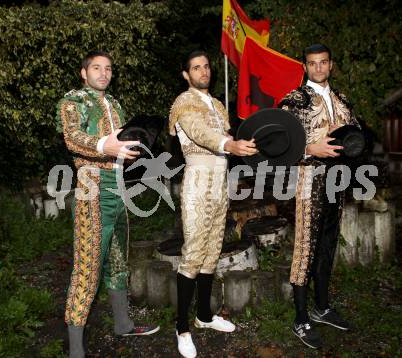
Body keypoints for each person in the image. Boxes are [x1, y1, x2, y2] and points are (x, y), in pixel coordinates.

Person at [57, 51, 159, 358]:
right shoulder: (73, 101)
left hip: (119, 188)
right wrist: (105, 144)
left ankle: (123, 324)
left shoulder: (114, 104)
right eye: (96, 68)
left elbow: (123, 146)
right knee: (87, 270)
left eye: (108, 68)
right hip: (92, 190)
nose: (103, 73)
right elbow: (72, 137)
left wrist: (137, 150)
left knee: (118, 262)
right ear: (83, 72)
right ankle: (76, 350)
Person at [168, 50, 257, 358]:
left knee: (211, 252)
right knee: (192, 254)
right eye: (196, 67)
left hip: (220, 184)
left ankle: (203, 316)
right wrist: (229, 144)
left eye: (206, 66)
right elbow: (200, 133)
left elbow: (230, 135)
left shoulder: (218, 104)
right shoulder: (184, 102)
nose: (204, 71)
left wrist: (246, 140)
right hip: (196, 185)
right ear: (186, 74)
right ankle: (181, 328)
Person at [279, 44, 360, 349]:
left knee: (327, 245)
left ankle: (322, 307)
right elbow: (278, 140)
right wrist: (309, 148)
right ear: (305, 67)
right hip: (308, 179)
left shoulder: (343, 101)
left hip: (336, 181)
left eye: (323, 62)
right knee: (305, 248)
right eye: (312, 64)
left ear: (331, 65)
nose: (318, 68)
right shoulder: (295, 100)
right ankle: (301, 318)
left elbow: (356, 140)